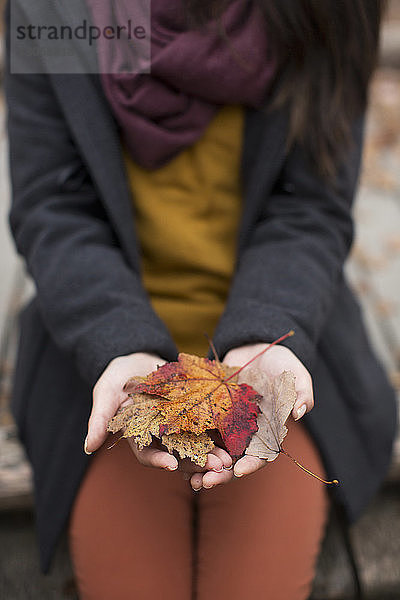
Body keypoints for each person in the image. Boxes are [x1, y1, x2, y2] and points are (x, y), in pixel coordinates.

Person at [5, 1, 397, 599]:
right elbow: (54, 208)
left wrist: (265, 333)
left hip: (274, 343)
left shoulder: (327, 10)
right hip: (105, 357)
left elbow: (310, 208)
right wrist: (121, 345)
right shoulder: (66, 9)